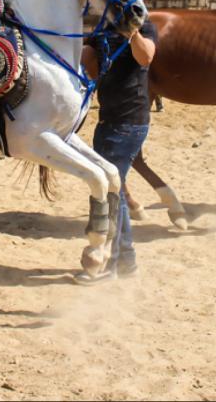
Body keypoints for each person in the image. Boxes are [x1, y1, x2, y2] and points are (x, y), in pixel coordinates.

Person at [75, 18, 158, 283]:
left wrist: (132, 33)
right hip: (107, 121)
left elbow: (146, 57)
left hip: (130, 122)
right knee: (116, 191)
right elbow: (87, 63)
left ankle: (111, 266)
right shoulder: (102, 30)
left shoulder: (145, 27)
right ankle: (127, 262)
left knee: (113, 192)